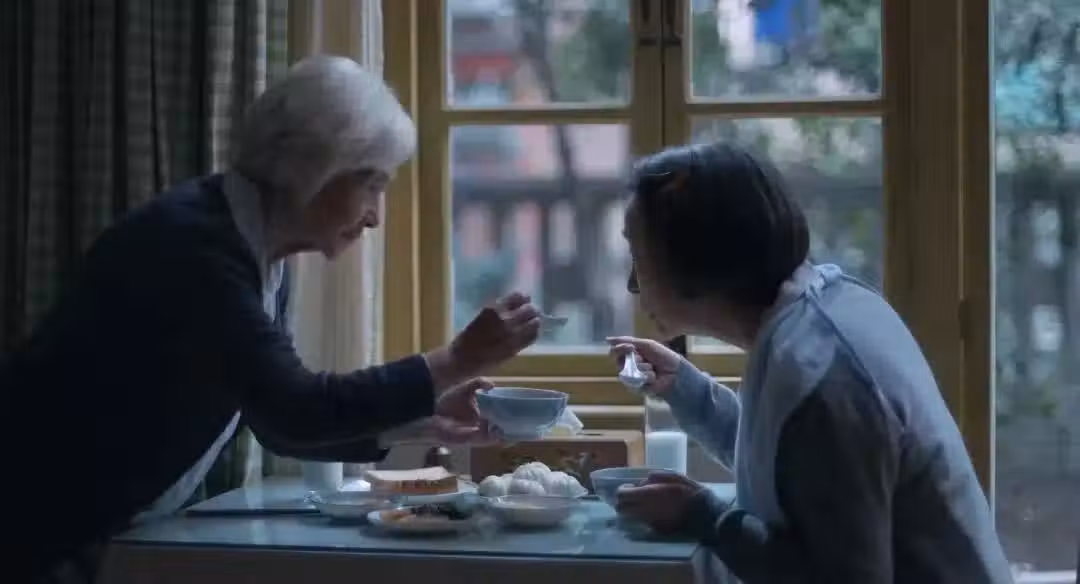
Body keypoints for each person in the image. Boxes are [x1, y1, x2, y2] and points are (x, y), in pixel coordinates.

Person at [2, 56, 540, 581]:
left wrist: (425, 421)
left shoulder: (256, 251)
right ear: (315, 166)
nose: (375, 216)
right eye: (372, 185)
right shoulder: (195, 248)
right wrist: (457, 359)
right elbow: (297, 408)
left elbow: (273, 423)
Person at [606, 142, 1013, 583]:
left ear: (695, 254)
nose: (632, 284)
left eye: (639, 258)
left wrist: (706, 517)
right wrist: (684, 388)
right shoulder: (817, 315)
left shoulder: (819, 373)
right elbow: (793, 467)